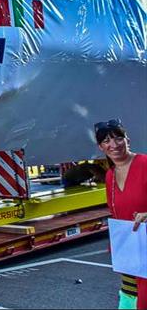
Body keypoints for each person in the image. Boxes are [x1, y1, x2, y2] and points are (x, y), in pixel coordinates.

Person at [94, 119, 147, 310]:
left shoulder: (145, 163)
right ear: (100, 146)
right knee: (130, 298)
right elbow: (115, 212)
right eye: (107, 141)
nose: (114, 145)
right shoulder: (110, 175)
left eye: (118, 138)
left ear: (127, 139)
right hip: (132, 249)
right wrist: (117, 245)